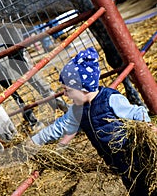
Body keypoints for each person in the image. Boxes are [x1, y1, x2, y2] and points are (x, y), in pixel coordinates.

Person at [29, 47, 157, 196]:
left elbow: (137, 111)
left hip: (136, 155)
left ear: (83, 88)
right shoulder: (77, 110)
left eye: (67, 90)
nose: (65, 94)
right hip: (118, 163)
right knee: (136, 190)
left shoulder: (110, 99)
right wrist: (35, 140)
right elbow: (60, 127)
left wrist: (147, 126)